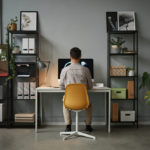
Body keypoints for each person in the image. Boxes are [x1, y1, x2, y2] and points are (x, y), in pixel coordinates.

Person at [59, 47, 93, 132]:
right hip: (83, 101)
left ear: (70, 56)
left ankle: (68, 126)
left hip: (70, 101)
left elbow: (61, 87)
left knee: (64, 101)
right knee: (89, 102)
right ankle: (88, 125)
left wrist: (68, 88)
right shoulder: (86, 70)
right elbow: (90, 86)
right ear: (80, 56)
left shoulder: (64, 70)